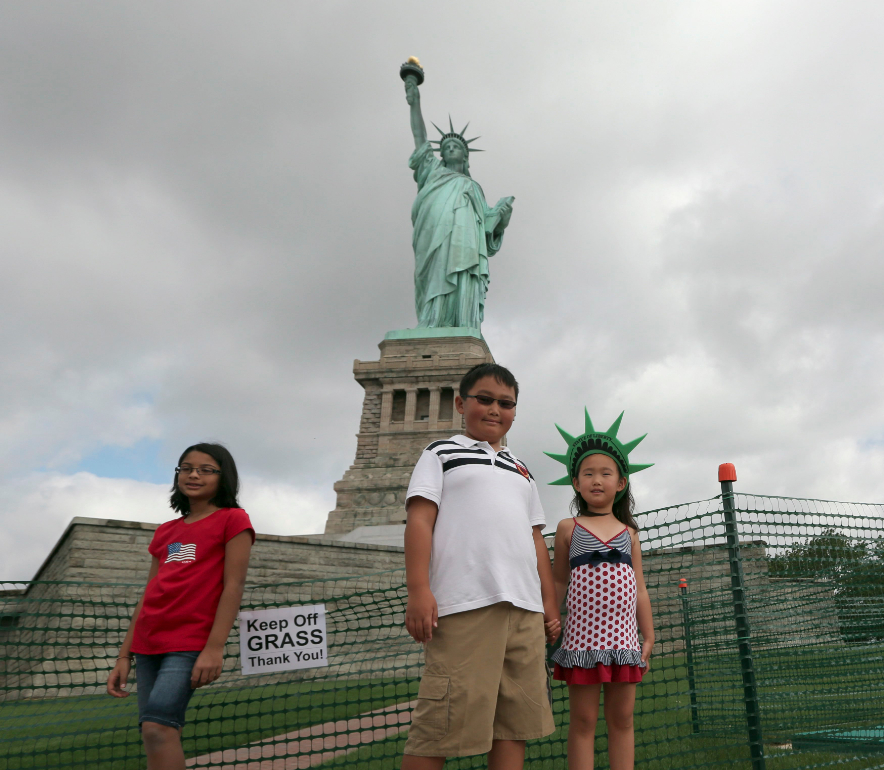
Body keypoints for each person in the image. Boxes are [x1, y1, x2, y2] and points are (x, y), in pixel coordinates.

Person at [401, 363, 560, 770]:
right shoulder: (440, 453)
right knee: (438, 725)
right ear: (460, 403)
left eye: (505, 403)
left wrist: (549, 605)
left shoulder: (522, 469)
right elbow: (420, 519)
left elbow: (535, 538)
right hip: (465, 604)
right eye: (484, 399)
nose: (494, 409)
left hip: (525, 611)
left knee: (514, 726)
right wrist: (419, 590)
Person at [106, 443, 254, 770]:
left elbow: (234, 586)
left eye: (205, 469)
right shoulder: (166, 531)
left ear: (223, 477)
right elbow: (149, 594)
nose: (193, 475)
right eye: (186, 468)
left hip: (189, 643)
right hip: (148, 643)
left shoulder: (234, 520)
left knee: (158, 727)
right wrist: (123, 656)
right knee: (155, 732)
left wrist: (214, 648)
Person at [546, 410, 655, 770]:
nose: (597, 480)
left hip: (624, 640)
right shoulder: (567, 528)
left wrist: (648, 635)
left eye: (605, 473)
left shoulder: (629, 533)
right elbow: (559, 580)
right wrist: (550, 616)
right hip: (581, 640)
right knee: (583, 722)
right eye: (588, 474)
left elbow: (639, 588)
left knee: (622, 720)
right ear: (575, 482)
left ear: (621, 483)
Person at [404, 75, 515, 329]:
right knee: (435, 275)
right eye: (446, 146)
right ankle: (432, 321)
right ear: (440, 155)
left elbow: (487, 232)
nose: (451, 148)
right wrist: (414, 102)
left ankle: (463, 324)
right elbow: (419, 136)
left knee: (464, 272)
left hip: (465, 243)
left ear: (466, 156)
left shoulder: (473, 187)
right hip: (434, 236)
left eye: (456, 146)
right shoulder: (432, 172)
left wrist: (501, 220)